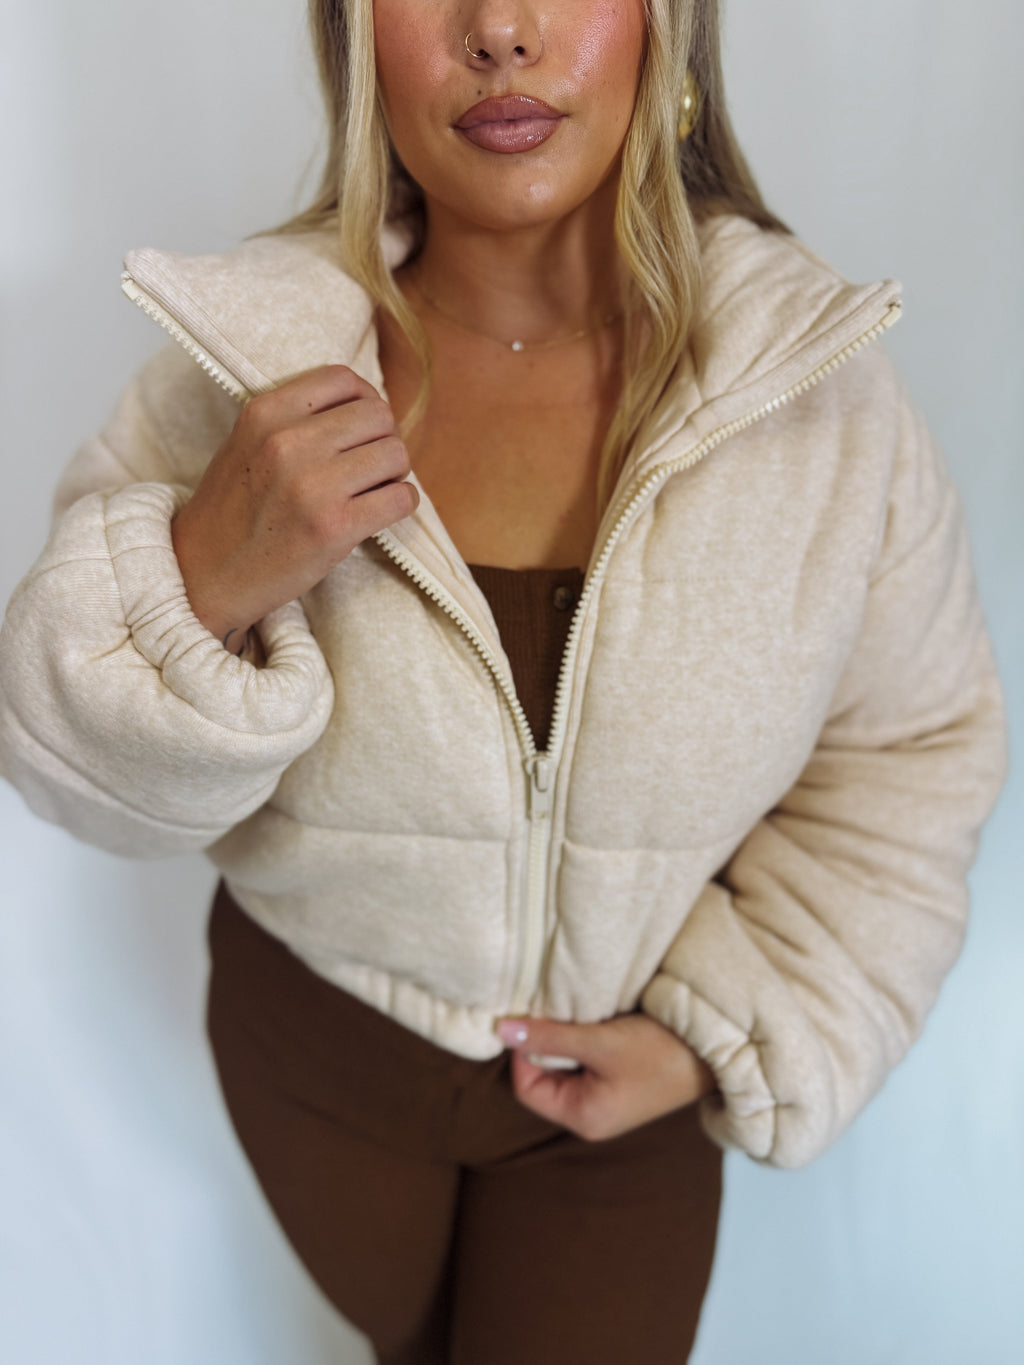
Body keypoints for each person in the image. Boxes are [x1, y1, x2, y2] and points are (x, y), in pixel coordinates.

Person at [0, 0, 1008, 1360]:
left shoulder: (812, 401)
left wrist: (724, 1024)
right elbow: (77, 785)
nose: (501, 31)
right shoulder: (250, 361)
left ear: (671, 27)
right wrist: (205, 571)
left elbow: (913, 756)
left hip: (614, 1101)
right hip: (313, 1062)